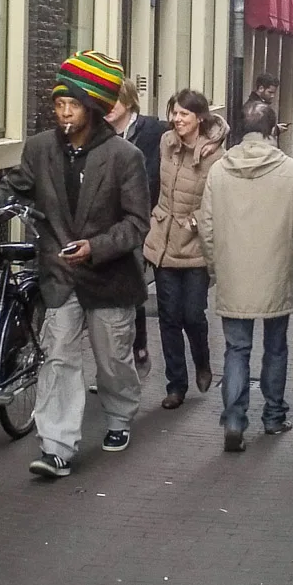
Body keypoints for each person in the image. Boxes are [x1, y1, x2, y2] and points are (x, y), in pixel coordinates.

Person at [0, 52, 150, 477]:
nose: (64, 112)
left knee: (112, 362)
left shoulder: (124, 156)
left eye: (73, 105)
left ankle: (120, 415)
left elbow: (137, 223)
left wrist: (95, 247)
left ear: (94, 109)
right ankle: (56, 448)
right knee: (59, 358)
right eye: (59, 104)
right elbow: (12, 188)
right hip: (61, 276)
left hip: (109, 277)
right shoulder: (40, 149)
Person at [197, 101, 293, 452]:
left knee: (237, 348)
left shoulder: (219, 171)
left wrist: (215, 266)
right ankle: (273, 416)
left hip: (233, 272)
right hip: (276, 271)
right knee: (276, 346)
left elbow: (206, 227)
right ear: (272, 131)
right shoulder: (291, 170)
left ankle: (234, 419)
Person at [143, 90, 228, 410]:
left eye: (184, 114)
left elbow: (218, 200)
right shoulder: (165, 143)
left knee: (192, 314)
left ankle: (202, 361)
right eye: (175, 113)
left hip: (195, 245)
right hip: (163, 241)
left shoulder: (216, 156)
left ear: (199, 118)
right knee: (168, 317)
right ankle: (176, 385)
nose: (177, 119)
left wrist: (196, 221)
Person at [106, 78, 169, 378]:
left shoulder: (154, 130)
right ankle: (119, 361)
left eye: (114, 100)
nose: (107, 107)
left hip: (144, 220)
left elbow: (193, 133)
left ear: (129, 101)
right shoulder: (99, 134)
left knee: (132, 285)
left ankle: (138, 347)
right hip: (108, 224)